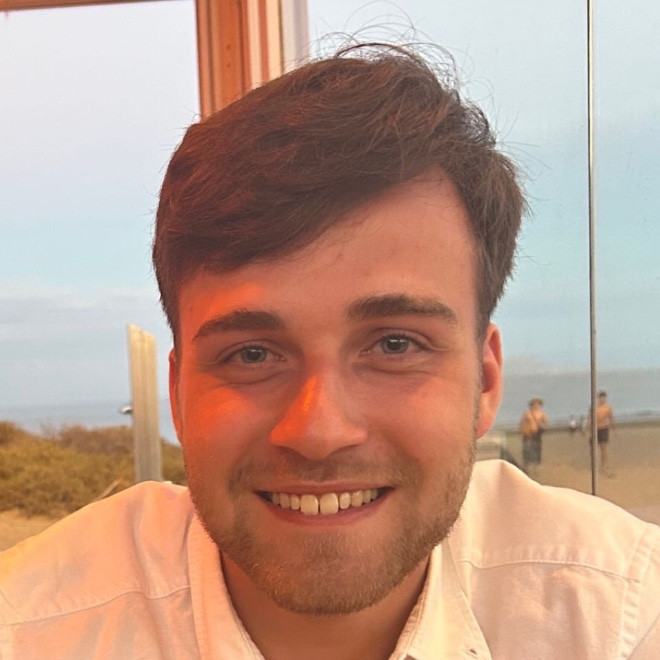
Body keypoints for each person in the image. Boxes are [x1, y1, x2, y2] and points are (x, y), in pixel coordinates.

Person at [1, 44, 659, 659]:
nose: (318, 432)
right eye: (252, 355)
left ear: (485, 381)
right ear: (177, 394)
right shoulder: (31, 630)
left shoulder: (621, 621)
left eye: (395, 344)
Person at [519, 397, 548, 477]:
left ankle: (536, 468)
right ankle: (526, 467)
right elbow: (522, 423)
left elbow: (546, 423)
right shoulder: (527, 414)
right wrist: (524, 431)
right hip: (528, 435)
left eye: (538, 404)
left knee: (537, 450)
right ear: (531, 405)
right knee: (527, 450)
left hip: (537, 434)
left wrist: (542, 428)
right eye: (534, 404)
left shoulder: (542, 414)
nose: (536, 406)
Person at [589, 390, 616, 472]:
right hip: (595, 429)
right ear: (598, 398)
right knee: (593, 448)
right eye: (601, 398)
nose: (602, 399)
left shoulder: (608, 408)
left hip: (604, 428)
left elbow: (611, 418)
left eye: (604, 398)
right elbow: (590, 419)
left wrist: (614, 428)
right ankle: (594, 465)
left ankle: (603, 466)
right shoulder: (594, 408)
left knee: (603, 448)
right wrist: (589, 430)